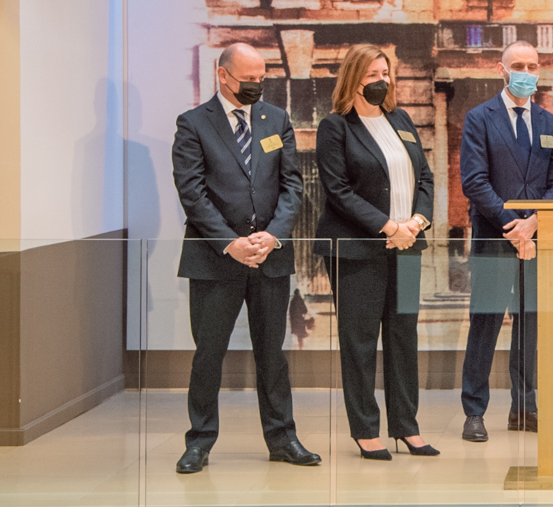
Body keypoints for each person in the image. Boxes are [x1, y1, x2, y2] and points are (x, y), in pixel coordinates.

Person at [170, 42, 319, 474]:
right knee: (208, 354)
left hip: (269, 257)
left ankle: (283, 438)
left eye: (261, 79)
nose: (256, 86)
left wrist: (272, 236)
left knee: (272, 355)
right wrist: (230, 242)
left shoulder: (277, 119)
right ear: (223, 75)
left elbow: (292, 185)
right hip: (216, 260)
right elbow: (192, 192)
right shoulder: (193, 124)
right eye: (248, 79)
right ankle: (199, 442)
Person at [316, 44, 438, 460]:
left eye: (385, 73)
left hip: (407, 246)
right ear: (353, 79)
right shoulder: (335, 127)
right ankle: (366, 430)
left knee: (403, 337)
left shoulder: (400, 120)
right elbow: (338, 190)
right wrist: (388, 226)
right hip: (357, 250)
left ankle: (407, 426)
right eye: (372, 75)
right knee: (360, 340)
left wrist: (417, 222)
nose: (381, 81)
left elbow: (425, 178)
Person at [458, 40, 553, 442]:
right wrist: (513, 225)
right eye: (517, 65)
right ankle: (474, 412)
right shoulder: (479, 118)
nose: (526, 72)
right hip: (494, 236)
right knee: (484, 324)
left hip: (537, 239)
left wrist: (534, 222)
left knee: (529, 325)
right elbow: (474, 182)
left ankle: (524, 407)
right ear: (501, 69)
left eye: (532, 65)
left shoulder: (548, 123)